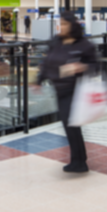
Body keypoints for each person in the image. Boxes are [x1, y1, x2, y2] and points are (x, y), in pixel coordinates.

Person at [37, 11, 98, 173]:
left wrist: (80, 67)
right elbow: (47, 62)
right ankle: (79, 160)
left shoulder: (83, 45)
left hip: (75, 90)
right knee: (70, 125)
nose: (61, 27)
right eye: (59, 23)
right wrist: (38, 80)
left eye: (64, 24)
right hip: (59, 89)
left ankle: (79, 162)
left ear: (72, 25)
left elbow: (95, 65)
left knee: (71, 125)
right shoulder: (56, 41)